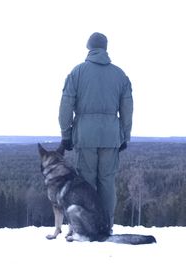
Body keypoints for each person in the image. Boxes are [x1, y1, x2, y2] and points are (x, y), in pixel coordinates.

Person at [58, 32, 133, 229]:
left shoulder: (77, 72)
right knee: (107, 182)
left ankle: (90, 226)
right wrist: (125, 135)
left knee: (87, 183)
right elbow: (127, 108)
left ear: (89, 47)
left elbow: (65, 106)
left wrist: (66, 135)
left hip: (85, 136)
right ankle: (106, 226)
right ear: (105, 48)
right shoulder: (120, 75)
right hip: (111, 136)